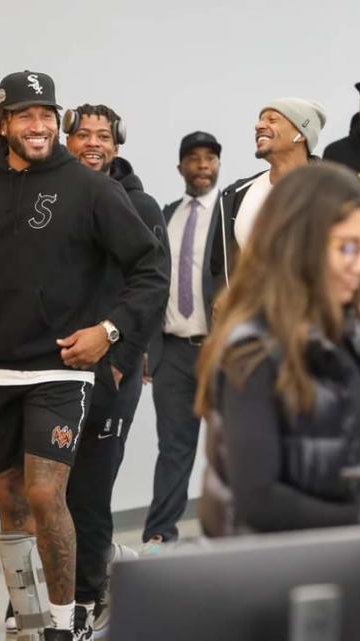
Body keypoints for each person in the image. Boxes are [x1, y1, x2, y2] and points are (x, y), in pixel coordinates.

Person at [0, 71, 167, 641]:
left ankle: (65, 620)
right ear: (4, 122)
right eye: (27, 115)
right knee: (11, 507)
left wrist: (109, 330)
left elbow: (149, 271)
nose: (39, 126)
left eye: (48, 115)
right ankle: (28, 621)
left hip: (61, 370)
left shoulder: (91, 189)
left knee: (43, 491)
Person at [194, 163, 360, 536]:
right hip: (285, 577)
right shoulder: (251, 352)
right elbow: (259, 502)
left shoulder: (351, 336)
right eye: (348, 248)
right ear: (298, 246)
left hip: (352, 559)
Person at [61, 102, 169, 640]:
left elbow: (153, 287)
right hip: (54, 367)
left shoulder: (141, 204)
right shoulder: (50, 198)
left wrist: (123, 362)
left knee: (89, 492)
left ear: (117, 145)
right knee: (49, 492)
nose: (93, 143)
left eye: (104, 135)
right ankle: (68, 588)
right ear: (67, 141)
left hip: (112, 371)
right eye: (83, 135)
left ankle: (88, 598)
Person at [142, 131, 223, 552]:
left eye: (211, 158)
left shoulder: (230, 216)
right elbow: (150, 283)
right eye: (194, 158)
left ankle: (232, 529)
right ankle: (160, 532)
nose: (203, 165)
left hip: (220, 353)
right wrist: (144, 345)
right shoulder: (166, 215)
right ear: (180, 167)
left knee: (231, 446)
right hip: (171, 351)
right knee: (173, 448)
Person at [211, 98, 326, 285]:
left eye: (272, 120)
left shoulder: (331, 192)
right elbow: (220, 266)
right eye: (260, 120)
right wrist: (222, 297)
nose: (259, 126)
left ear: (301, 133)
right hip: (249, 312)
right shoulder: (235, 195)